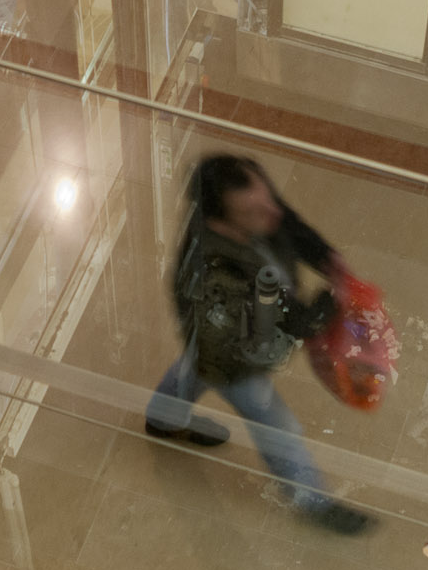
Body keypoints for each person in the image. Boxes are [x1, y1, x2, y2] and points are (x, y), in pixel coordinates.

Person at [144, 154, 373, 535]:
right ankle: (311, 499)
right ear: (220, 221)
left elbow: (286, 220)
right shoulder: (215, 277)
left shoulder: (245, 202)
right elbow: (268, 331)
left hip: (210, 343)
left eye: (267, 195)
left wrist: (326, 258)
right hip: (231, 356)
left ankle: (162, 418)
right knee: (275, 424)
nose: (272, 211)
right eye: (255, 210)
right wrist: (324, 307)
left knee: (192, 366)